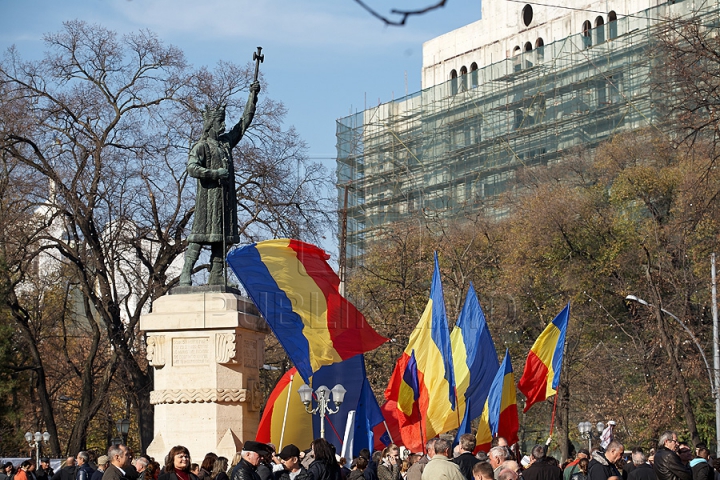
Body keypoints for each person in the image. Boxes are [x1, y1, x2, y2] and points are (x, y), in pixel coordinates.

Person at [179, 80, 261, 286]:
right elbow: (191, 168)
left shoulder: (226, 143)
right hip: (207, 199)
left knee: (221, 238)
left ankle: (216, 275)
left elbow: (243, 123)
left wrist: (252, 97)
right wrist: (214, 173)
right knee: (199, 236)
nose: (223, 125)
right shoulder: (201, 146)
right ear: (210, 125)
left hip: (224, 200)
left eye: (223, 122)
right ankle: (185, 274)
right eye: (219, 123)